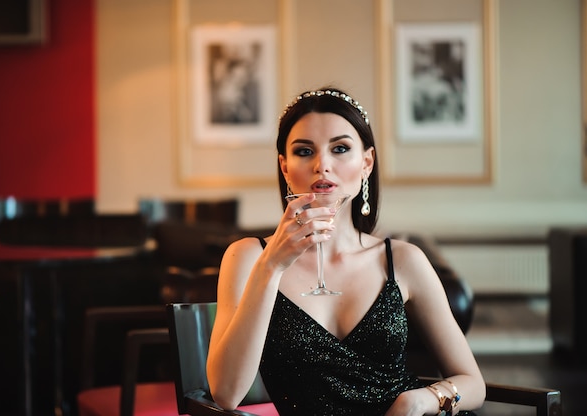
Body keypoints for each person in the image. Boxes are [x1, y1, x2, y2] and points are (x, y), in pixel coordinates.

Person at [206, 87, 486, 415]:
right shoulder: (249, 258)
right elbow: (226, 394)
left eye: (340, 148)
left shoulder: (403, 261)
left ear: (366, 162)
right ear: (285, 167)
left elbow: (473, 382)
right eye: (304, 151)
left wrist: (421, 399)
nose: (322, 165)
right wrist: (272, 267)